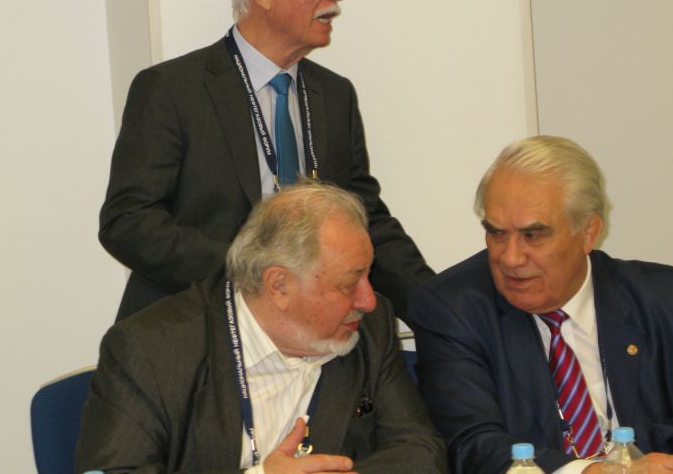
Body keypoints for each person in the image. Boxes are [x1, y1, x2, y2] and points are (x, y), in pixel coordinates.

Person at [99, 0, 432, 324]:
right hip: (197, 328)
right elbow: (129, 222)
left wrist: (438, 309)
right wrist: (254, 278)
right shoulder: (172, 90)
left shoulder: (334, 95)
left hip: (314, 333)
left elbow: (365, 220)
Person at [408, 135, 673, 474]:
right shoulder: (452, 309)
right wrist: (595, 472)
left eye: (533, 235)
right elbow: (473, 446)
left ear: (589, 231)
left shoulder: (668, 299)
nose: (511, 258)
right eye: (497, 233)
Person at [76, 181, 445, 474]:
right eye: (349, 284)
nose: (369, 300)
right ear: (278, 285)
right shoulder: (151, 350)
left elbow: (421, 451)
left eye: (368, 275)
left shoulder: (369, 329)